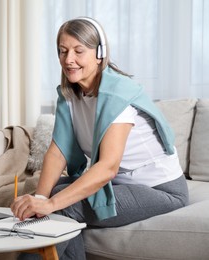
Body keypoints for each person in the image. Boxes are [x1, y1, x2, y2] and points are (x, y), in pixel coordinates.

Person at [11, 17, 189, 259]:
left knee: (64, 207)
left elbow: (107, 167)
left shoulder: (118, 94)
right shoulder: (69, 95)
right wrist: (41, 199)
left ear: (100, 54)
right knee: (53, 194)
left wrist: (50, 206)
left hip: (159, 189)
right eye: (63, 51)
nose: (68, 59)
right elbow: (58, 150)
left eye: (78, 51)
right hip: (121, 184)